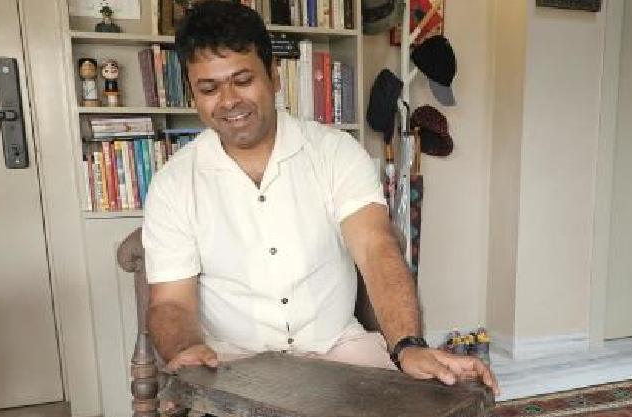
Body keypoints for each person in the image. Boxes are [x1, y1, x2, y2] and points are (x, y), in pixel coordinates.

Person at [141, 0, 497, 394]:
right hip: (230, 364)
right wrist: (186, 348)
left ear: (274, 77)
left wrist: (408, 345)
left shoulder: (334, 152)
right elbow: (171, 303)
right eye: (209, 88)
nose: (228, 101)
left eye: (243, 80)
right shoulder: (173, 184)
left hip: (339, 351)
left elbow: (377, 249)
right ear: (193, 95)